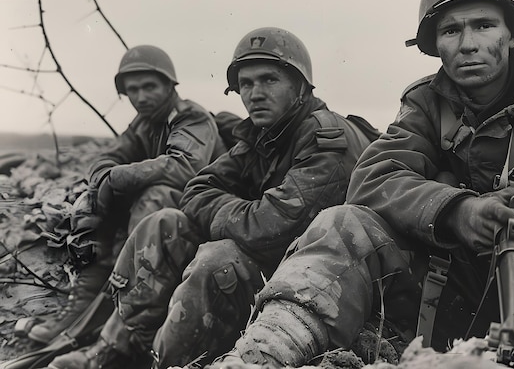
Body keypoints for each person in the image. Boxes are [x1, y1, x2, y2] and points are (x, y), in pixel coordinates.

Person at [208, 0, 514, 367]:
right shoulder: (425, 104)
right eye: (451, 30)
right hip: (454, 288)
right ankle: (266, 351)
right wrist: (457, 211)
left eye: (484, 25)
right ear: (435, 45)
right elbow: (373, 179)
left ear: (512, 32)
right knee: (345, 223)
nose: (467, 44)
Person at [46, 27, 377, 369]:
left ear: (300, 85)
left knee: (218, 258)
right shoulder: (261, 136)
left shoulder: (324, 137)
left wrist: (233, 215)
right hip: (274, 265)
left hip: (324, 286)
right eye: (246, 84)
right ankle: (113, 351)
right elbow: (197, 187)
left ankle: (166, 363)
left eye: (269, 80)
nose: (255, 94)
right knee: (165, 223)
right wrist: (242, 214)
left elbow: (272, 228)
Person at [26, 44, 228, 345]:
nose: (140, 97)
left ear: (169, 86)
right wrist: (104, 182)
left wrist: (115, 178)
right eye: (132, 90)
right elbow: (107, 160)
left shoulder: (191, 117)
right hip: (165, 223)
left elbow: (183, 168)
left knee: (155, 196)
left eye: (149, 87)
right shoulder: (145, 123)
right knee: (91, 202)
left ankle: (117, 316)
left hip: (202, 220)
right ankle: (80, 307)